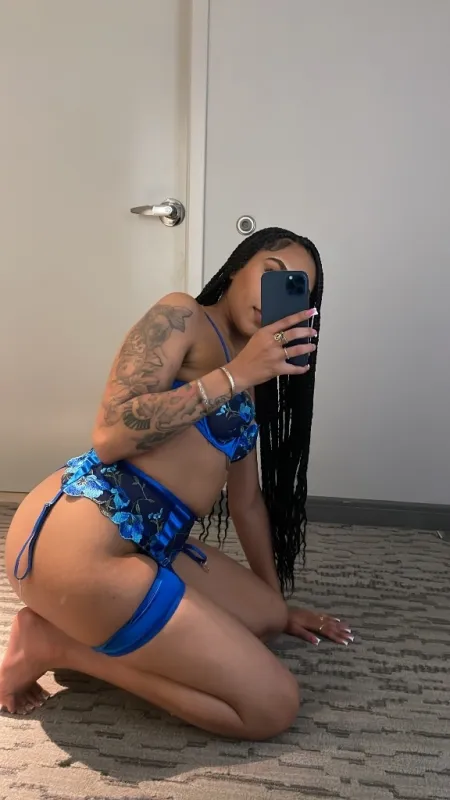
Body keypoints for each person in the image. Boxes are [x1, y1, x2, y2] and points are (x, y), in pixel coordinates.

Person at [0, 227, 352, 740]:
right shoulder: (183, 315)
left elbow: (247, 504)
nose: (272, 292)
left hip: (154, 543)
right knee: (271, 707)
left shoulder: (252, 379)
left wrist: (276, 607)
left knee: (264, 620)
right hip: (81, 541)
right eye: (270, 272)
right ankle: (56, 645)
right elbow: (110, 436)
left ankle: (90, 626)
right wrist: (235, 374)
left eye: (294, 287)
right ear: (238, 267)